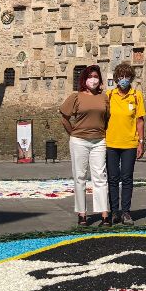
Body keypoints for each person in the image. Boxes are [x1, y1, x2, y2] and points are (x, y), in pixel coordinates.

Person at [59, 65, 110, 226]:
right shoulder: (76, 97)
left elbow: (107, 118)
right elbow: (64, 117)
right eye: (90, 76)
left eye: (96, 76)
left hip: (99, 140)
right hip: (79, 141)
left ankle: (104, 214)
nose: (93, 79)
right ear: (84, 79)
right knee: (80, 176)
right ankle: (82, 214)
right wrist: (72, 133)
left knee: (100, 176)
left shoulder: (104, 97)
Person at [106, 62, 146, 225]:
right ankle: (114, 211)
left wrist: (141, 142)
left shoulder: (136, 96)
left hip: (129, 143)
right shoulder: (109, 95)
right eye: (121, 76)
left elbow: (140, 121)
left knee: (127, 178)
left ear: (131, 78)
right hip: (111, 143)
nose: (124, 79)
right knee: (112, 178)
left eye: (127, 76)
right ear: (116, 78)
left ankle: (126, 212)